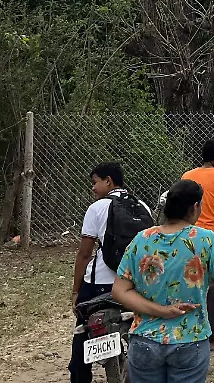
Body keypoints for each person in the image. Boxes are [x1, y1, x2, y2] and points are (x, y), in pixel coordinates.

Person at [113, 179, 214, 383]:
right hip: (190, 340)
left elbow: (119, 291)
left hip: (144, 340)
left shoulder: (141, 239)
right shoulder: (205, 240)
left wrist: (161, 311)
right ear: (195, 207)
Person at [70, 162, 152, 383]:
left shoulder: (96, 208)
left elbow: (85, 254)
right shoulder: (142, 206)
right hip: (134, 284)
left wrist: (76, 291)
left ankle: (80, 376)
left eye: (95, 183)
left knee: (81, 330)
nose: (93, 188)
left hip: (100, 285)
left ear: (108, 181)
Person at [181, 140, 214, 350]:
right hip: (213, 238)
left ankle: (192, 331)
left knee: (192, 283)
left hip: (188, 236)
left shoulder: (187, 176)